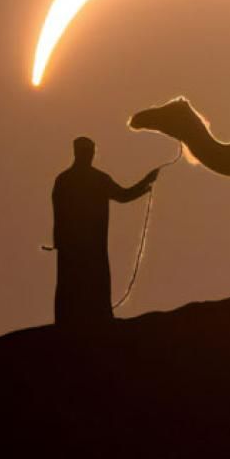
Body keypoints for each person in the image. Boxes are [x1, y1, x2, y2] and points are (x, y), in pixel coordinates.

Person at [50, 137, 159, 325]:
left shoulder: (65, 180)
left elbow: (123, 195)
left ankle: (71, 320)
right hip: (89, 244)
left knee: (73, 280)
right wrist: (145, 183)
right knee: (90, 279)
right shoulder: (95, 180)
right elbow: (124, 195)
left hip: (71, 244)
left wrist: (145, 185)